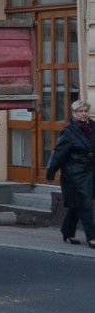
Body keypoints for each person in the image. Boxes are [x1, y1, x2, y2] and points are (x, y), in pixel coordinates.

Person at [46, 99, 95, 249]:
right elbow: (58, 154)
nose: (84, 114)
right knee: (85, 204)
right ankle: (92, 237)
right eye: (80, 111)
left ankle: (67, 231)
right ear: (74, 114)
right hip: (75, 174)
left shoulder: (93, 127)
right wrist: (51, 170)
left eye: (86, 111)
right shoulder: (68, 132)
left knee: (77, 204)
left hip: (91, 171)